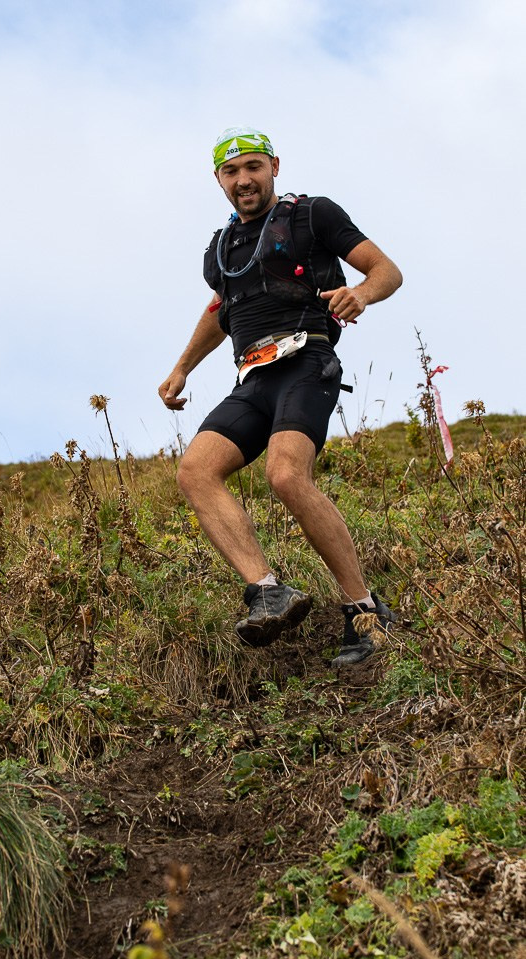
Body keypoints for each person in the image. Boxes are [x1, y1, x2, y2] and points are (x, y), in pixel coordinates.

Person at [158, 127, 403, 666]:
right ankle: (268, 589)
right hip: (252, 378)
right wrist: (181, 368)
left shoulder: (312, 214)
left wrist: (360, 292)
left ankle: (364, 612)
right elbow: (221, 311)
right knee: (194, 472)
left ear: (273, 166)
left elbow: (387, 270)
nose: (244, 179)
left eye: (253, 167)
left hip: (307, 360)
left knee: (287, 475)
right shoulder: (219, 250)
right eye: (231, 171)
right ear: (218, 180)